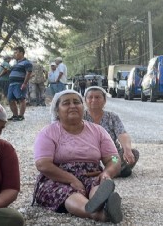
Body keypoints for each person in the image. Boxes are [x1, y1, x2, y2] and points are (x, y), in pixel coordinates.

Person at [33, 90, 123, 223]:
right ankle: (98, 214)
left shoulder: (98, 131)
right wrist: (71, 179)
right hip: (58, 178)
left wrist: (107, 172)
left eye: (76, 102)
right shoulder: (48, 132)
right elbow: (42, 164)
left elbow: (114, 158)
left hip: (92, 174)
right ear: (57, 110)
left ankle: (100, 201)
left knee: (98, 184)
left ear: (83, 107)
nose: (73, 106)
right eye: (66, 103)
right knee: (67, 192)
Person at [83, 86, 139, 177]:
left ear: (104, 100)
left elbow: (122, 134)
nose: (94, 100)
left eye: (97, 97)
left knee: (132, 154)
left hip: (111, 156)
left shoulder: (112, 117)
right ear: (85, 100)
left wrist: (127, 149)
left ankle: (107, 171)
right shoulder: (80, 117)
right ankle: (112, 172)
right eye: (90, 97)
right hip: (89, 156)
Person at [8, 46, 32, 121]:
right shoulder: (15, 63)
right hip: (11, 84)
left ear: (21, 53)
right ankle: (15, 115)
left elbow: (29, 73)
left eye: (16, 52)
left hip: (19, 83)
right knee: (10, 99)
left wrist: (24, 83)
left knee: (21, 99)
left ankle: (21, 116)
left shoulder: (27, 62)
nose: (14, 54)